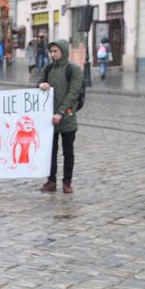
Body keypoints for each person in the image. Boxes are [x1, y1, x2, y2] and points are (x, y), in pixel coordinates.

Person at [37, 39, 83, 194]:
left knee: (68, 152)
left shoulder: (73, 70)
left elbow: (73, 93)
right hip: (49, 119)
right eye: (51, 51)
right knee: (50, 151)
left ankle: (67, 182)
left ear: (63, 52)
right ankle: (51, 181)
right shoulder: (48, 68)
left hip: (67, 118)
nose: (53, 54)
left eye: (56, 51)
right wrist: (40, 85)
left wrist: (61, 112)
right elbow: (38, 83)